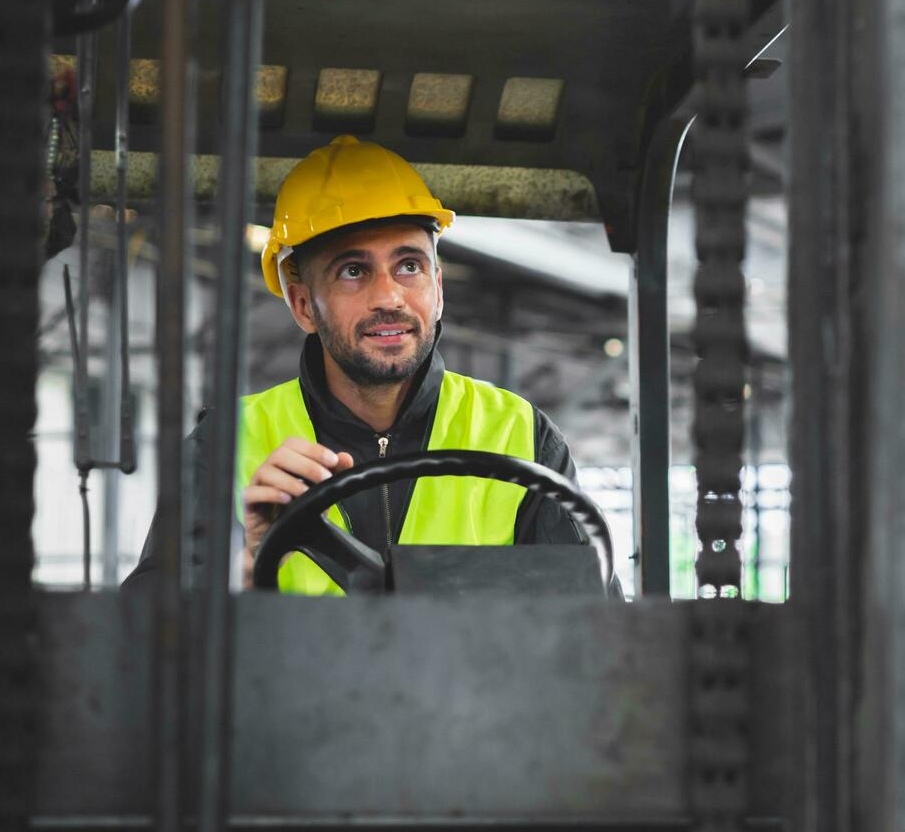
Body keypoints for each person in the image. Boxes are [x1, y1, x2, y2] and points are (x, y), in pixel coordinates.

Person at [123, 135, 604, 595]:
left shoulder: (520, 435)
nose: (389, 297)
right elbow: (147, 637)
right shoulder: (228, 443)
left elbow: (583, 629)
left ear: (438, 288)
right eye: (353, 271)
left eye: (409, 266)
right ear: (303, 305)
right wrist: (239, 568)